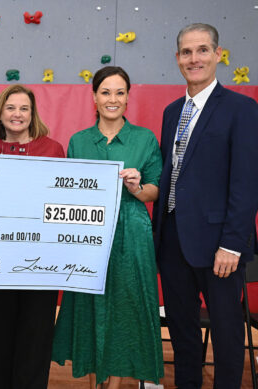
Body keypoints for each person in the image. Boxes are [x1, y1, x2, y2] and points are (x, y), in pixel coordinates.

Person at [153, 23, 258, 388]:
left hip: (219, 248)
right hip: (172, 243)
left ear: (218, 54)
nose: (193, 58)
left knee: (228, 337)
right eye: (186, 52)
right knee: (183, 336)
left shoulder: (242, 109)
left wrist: (232, 243)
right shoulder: (171, 112)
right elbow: (175, 173)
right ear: (177, 58)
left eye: (201, 50)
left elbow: (246, 182)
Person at [52, 66, 164, 388]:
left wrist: (136, 187)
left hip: (132, 233)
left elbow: (155, 189)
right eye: (105, 92)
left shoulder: (144, 139)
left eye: (119, 92)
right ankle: (93, 382)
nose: (112, 99)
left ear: (128, 97)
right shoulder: (79, 141)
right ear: (94, 97)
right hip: (89, 236)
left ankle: (113, 385)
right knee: (88, 308)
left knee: (124, 312)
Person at [0, 84, 64, 389]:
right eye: (10, 108)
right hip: (0, 264)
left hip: (41, 265)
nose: (17, 114)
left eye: (24, 109)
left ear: (33, 115)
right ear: (0, 113)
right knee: (0, 338)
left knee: (36, 339)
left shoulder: (53, 149)